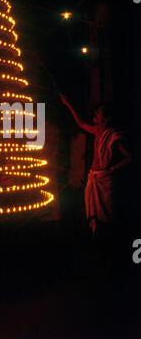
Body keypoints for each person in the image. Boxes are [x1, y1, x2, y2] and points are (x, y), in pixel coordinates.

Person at [60, 95, 131, 236]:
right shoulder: (96, 130)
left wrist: (113, 168)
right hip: (94, 176)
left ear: (106, 118)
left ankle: (111, 240)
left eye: (98, 113)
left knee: (109, 213)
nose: (95, 115)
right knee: (93, 211)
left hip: (105, 178)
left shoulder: (113, 136)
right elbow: (80, 123)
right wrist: (68, 104)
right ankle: (96, 237)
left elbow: (129, 158)